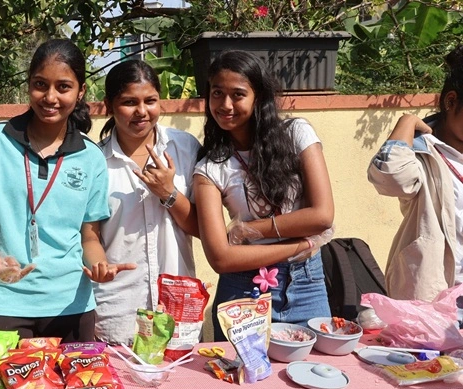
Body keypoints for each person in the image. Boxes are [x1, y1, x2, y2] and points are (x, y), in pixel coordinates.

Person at [0, 38, 134, 342]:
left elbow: (89, 236)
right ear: (29, 85)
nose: (50, 97)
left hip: (71, 305)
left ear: (81, 92)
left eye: (63, 87)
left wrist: (100, 265)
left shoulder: (91, 157)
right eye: (40, 84)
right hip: (3, 301)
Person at [193, 50, 334, 341]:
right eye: (217, 93)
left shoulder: (297, 134)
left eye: (238, 94)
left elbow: (322, 216)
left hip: (306, 283)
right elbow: (221, 258)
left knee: (314, 365)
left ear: (259, 97)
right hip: (242, 290)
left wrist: (250, 230)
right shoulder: (209, 168)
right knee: (239, 370)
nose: (225, 105)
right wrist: (301, 244)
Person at [93, 60, 201, 345]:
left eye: (150, 101)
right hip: (118, 310)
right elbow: (88, 235)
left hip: (177, 309)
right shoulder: (95, 162)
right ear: (109, 105)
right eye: (129, 102)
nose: (142, 111)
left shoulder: (185, 148)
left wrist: (169, 193)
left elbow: (204, 228)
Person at [368, 45, 463, 302]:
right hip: (434, 297)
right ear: (451, 101)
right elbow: (391, 179)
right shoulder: (422, 150)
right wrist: (407, 122)